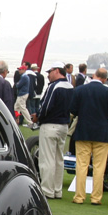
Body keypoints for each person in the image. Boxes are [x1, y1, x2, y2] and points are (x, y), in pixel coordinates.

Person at [69, 67, 108, 205]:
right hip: (101, 133)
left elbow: (73, 109)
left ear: (93, 75)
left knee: (82, 165)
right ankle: (96, 198)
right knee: (99, 167)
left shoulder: (80, 90)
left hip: (83, 131)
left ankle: (79, 196)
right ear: (105, 79)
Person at [35, 61, 73, 199]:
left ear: (57, 71)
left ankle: (47, 191)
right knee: (58, 159)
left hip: (50, 125)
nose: (48, 75)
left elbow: (46, 107)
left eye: (50, 72)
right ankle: (57, 190)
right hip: (64, 125)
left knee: (47, 160)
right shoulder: (70, 86)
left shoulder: (54, 87)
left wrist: (37, 117)